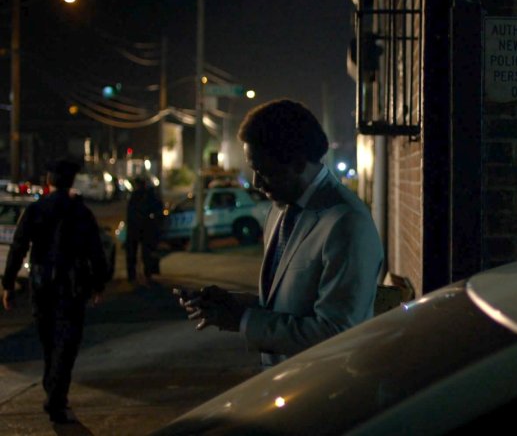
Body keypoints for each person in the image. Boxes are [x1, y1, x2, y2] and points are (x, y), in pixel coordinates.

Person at [178, 99, 383, 367]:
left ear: (298, 163)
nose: (256, 183)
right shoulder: (280, 209)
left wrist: (243, 320)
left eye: (264, 171)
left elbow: (337, 334)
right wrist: (235, 305)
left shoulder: (347, 223)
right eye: (253, 170)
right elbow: (287, 306)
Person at [2, 159, 109, 424]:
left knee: (50, 343)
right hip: (72, 289)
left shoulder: (36, 210)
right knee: (67, 344)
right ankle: (56, 397)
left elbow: (18, 247)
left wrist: (8, 284)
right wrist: (98, 283)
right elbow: (95, 251)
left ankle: (54, 392)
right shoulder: (81, 212)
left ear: (49, 181)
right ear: (72, 181)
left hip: (42, 287)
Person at [125, 176, 163, 284]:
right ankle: (143, 274)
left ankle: (139, 274)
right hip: (142, 228)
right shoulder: (145, 195)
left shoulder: (141, 196)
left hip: (141, 227)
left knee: (140, 253)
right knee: (143, 253)